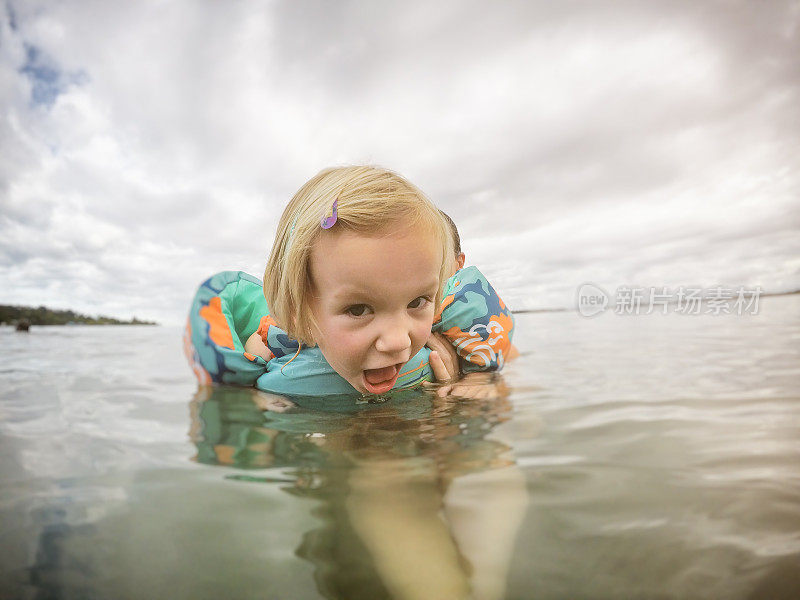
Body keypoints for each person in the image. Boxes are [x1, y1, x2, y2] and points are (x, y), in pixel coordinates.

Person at [190, 165, 513, 397]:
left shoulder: (456, 317)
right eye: (359, 309)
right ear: (299, 308)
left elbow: (504, 362)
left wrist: (477, 380)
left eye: (417, 302)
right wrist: (251, 390)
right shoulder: (282, 332)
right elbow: (256, 352)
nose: (398, 341)